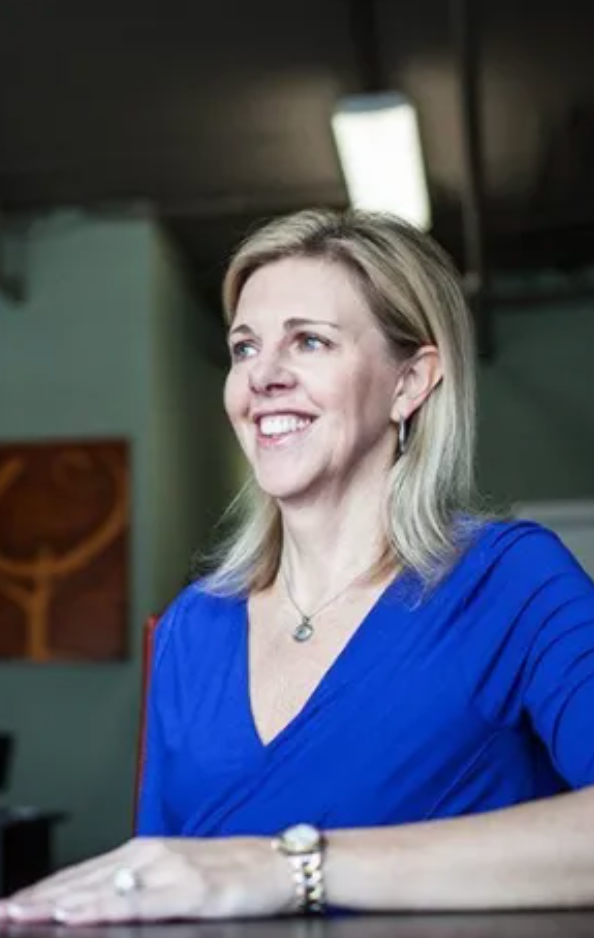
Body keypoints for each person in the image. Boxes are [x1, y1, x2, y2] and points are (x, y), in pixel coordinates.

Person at [1, 209, 593, 925]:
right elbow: (163, 891)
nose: (264, 377)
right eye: (244, 348)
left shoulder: (514, 584)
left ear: (410, 383)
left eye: (308, 341)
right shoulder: (195, 626)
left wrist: (291, 867)